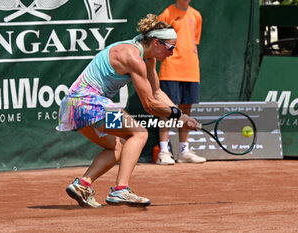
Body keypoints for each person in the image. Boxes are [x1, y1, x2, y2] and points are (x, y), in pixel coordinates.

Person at [56, 14, 200, 208]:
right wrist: (177, 115)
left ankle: (83, 184)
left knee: (117, 147)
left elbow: (156, 92)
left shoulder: (146, 58)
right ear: (157, 42)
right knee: (139, 133)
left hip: (73, 108)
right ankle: (121, 190)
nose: (172, 53)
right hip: (88, 103)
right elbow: (149, 104)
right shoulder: (134, 58)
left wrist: (183, 116)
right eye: (170, 47)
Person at [156, 0, 206, 165]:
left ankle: (184, 150)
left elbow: (193, 42)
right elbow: (158, 42)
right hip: (171, 68)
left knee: (186, 109)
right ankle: (163, 151)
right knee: (167, 110)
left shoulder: (196, 15)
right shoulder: (166, 14)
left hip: (191, 69)